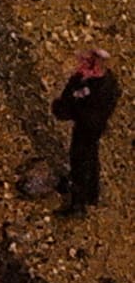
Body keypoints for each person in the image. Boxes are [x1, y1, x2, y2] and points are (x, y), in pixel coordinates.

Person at [53, 48, 120, 215]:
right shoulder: (99, 81)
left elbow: (87, 110)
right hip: (90, 127)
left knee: (81, 160)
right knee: (90, 155)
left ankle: (78, 203)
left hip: (88, 127)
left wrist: (71, 109)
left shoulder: (101, 87)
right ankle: (91, 193)